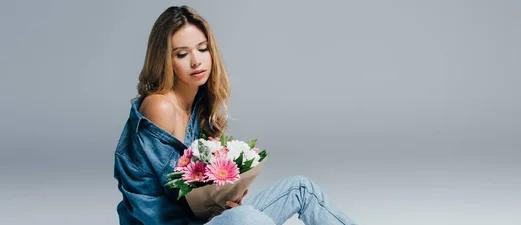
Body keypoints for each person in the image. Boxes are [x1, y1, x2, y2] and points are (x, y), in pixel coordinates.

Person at [113, 5, 357, 225]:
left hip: (206, 220)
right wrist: (220, 211)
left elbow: (198, 191)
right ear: (165, 59)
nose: (196, 61)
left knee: (301, 188)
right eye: (182, 54)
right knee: (245, 217)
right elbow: (149, 199)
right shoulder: (160, 107)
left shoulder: (198, 105)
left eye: (202, 48)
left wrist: (225, 196)